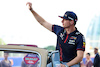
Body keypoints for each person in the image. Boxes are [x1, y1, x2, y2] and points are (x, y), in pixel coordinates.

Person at [26, 2, 86, 67]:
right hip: (58, 63)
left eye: (64, 20)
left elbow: (80, 57)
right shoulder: (59, 30)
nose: (62, 21)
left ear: (71, 22)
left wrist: (66, 65)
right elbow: (43, 22)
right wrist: (31, 10)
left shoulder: (79, 37)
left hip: (72, 64)